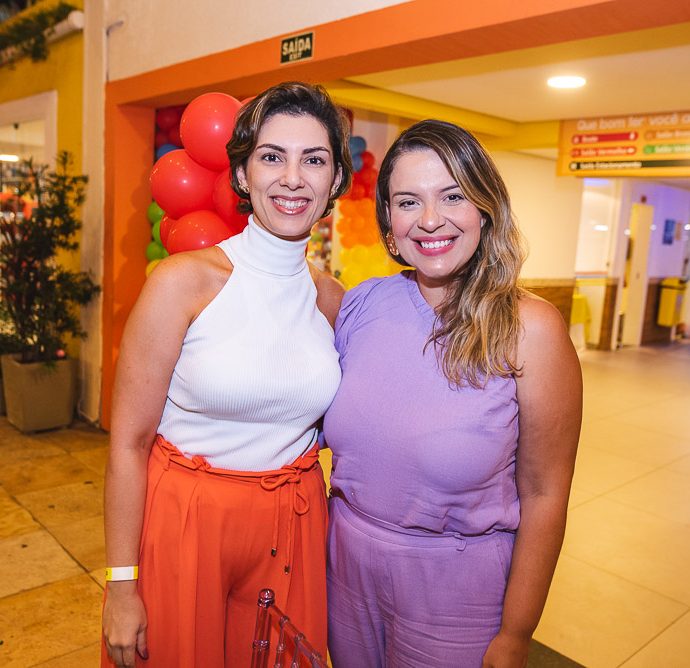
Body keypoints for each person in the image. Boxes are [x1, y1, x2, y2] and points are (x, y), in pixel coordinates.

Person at [102, 81, 352, 668]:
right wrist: (120, 583)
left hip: (293, 526)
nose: (293, 178)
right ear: (242, 173)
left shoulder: (332, 300)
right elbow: (129, 443)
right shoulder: (183, 283)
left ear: (336, 180)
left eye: (314, 160)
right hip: (186, 521)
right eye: (272, 157)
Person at [323, 119, 582, 667]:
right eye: (408, 201)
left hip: (455, 589)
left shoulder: (531, 329)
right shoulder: (361, 305)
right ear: (388, 221)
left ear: (485, 208)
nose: (430, 219)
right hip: (343, 567)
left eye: (452, 196)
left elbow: (545, 494)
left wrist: (517, 632)